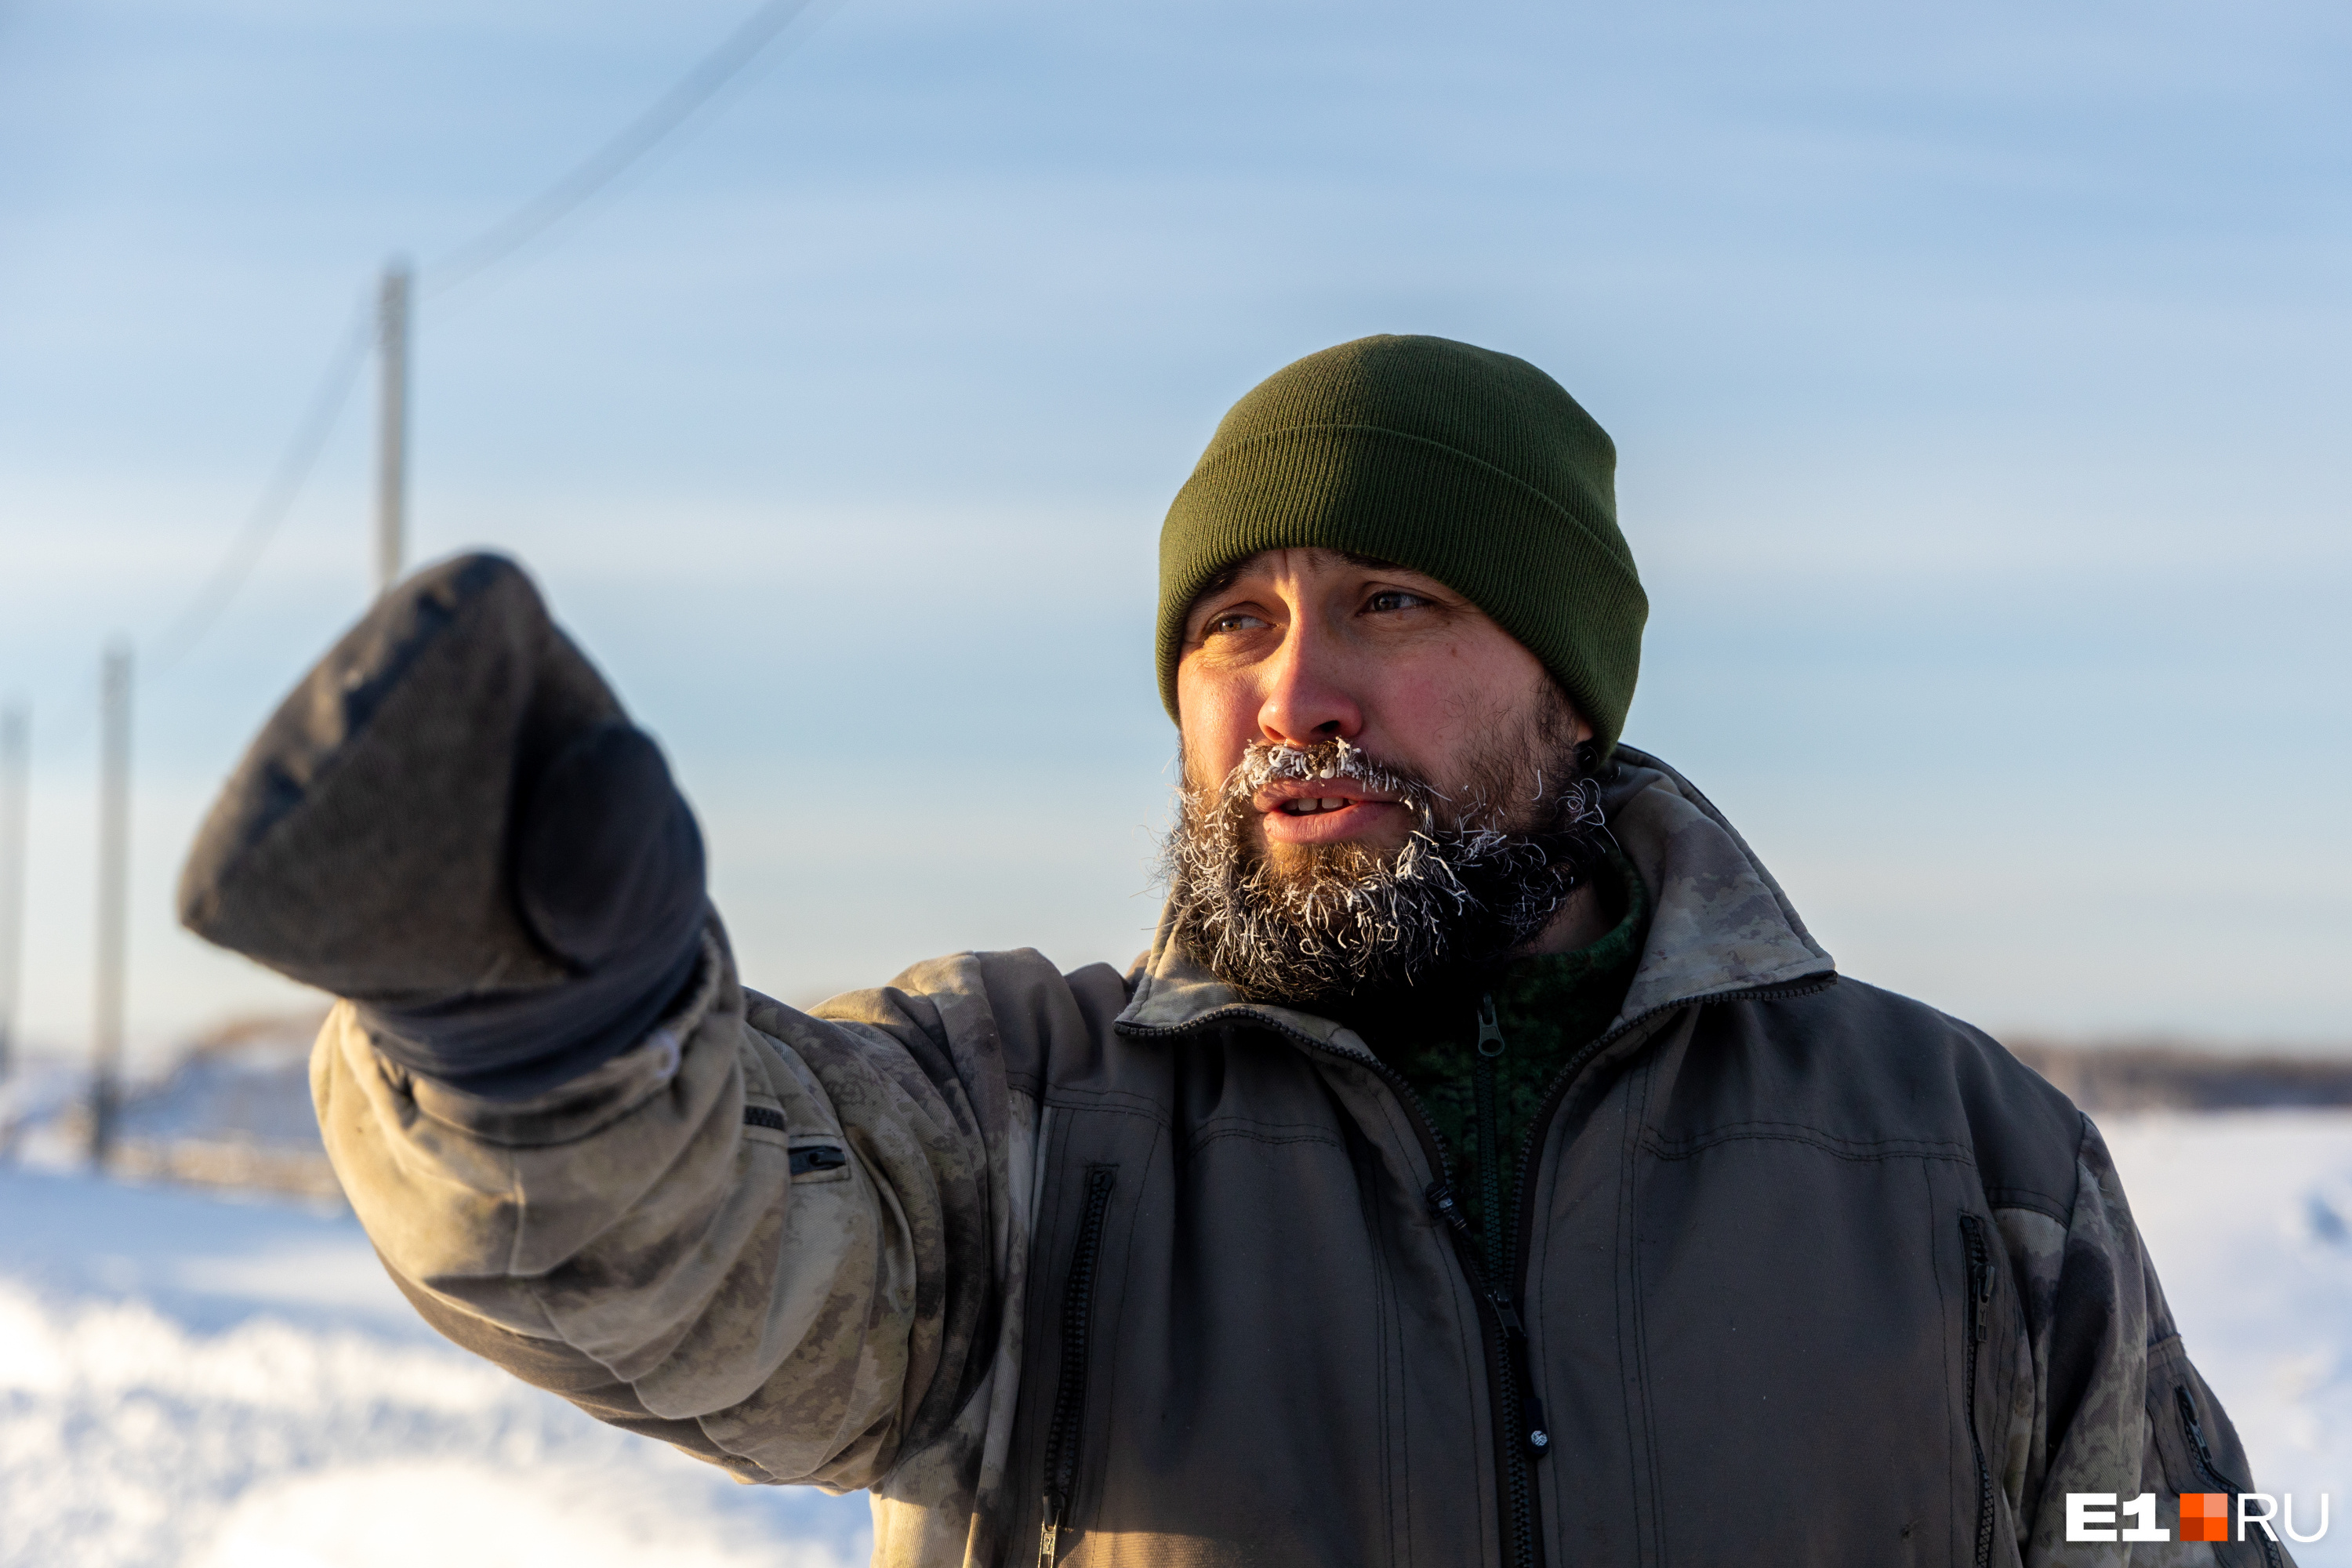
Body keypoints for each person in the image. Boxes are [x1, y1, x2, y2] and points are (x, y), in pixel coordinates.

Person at [180, 335, 2285, 1567]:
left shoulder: (1948, 1158)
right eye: (1233, 627)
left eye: (1392, 603)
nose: (1297, 692)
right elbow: (719, 1252)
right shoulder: (1029, 1132)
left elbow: (2169, 1543)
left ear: (1570, 693)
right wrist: (541, 1035)